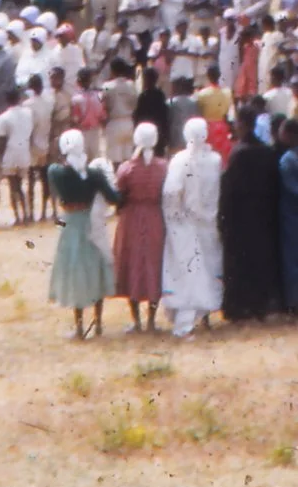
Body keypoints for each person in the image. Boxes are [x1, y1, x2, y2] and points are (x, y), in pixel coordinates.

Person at [45, 128, 119, 339]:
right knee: (95, 270)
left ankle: (79, 327)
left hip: (71, 223)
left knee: (75, 273)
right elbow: (113, 197)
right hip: (90, 223)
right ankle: (98, 324)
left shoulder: (56, 172)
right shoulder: (94, 174)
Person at [159, 117, 223, 338]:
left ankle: (185, 321)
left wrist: (173, 217)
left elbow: (171, 193)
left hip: (185, 224)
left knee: (187, 271)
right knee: (207, 266)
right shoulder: (215, 159)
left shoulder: (180, 160)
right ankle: (205, 315)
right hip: (208, 222)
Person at [217, 110, 282, 322]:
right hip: (263, 216)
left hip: (240, 219)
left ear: (243, 124)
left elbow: (229, 190)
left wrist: (223, 218)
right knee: (260, 261)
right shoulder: (266, 151)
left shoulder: (239, 154)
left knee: (240, 263)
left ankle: (239, 307)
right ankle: (260, 305)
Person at [111, 122, 168, 332]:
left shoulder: (127, 168)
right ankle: (152, 319)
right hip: (154, 217)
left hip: (132, 218)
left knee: (131, 264)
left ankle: (136, 321)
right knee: (153, 264)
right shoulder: (163, 167)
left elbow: (118, 195)